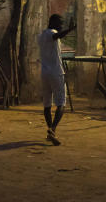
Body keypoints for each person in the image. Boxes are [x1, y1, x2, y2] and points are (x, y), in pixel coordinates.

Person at [37, 13, 75, 146]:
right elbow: (56, 35)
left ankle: (50, 130)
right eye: (59, 23)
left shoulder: (41, 36)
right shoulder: (51, 33)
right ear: (53, 23)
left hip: (45, 73)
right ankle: (52, 129)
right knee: (61, 103)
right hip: (56, 73)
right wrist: (70, 29)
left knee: (47, 105)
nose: (60, 26)